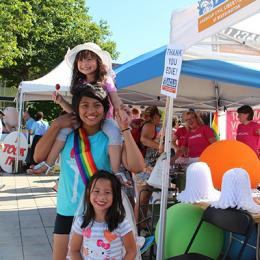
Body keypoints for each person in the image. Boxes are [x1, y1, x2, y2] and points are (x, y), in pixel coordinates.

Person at [33, 84, 144, 260]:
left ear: (105, 108)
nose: (91, 111)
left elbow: (137, 167)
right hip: (67, 210)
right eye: (84, 105)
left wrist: (125, 129)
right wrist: (55, 125)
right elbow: (38, 157)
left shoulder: (110, 136)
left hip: (101, 215)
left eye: (97, 105)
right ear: (76, 109)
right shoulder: (67, 133)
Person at [30, 42, 125, 177]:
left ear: (98, 62)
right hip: (82, 121)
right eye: (80, 60)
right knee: (63, 130)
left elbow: (116, 100)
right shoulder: (79, 84)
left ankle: (116, 172)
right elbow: (76, 112)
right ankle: (48, 164)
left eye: (89, 59)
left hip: (104, 120)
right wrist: (61, 101)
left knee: (114, 132)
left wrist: (122, 110)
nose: (84, 63)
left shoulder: (106, 80)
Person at [70, 171, 136, 259]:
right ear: (88, 193)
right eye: (96, 191)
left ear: (115, 195)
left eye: (107, 192)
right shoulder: (82, 222)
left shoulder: (121, 223)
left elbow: (131, 251)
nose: (101, 197)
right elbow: (74, 250)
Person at [134, 106, 161, 233]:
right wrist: (159, 146)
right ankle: (136, 226)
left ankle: (142, 224)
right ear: (155, 116)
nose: (160, 120)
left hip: (146, 165)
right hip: (145, 165)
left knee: (144, 198)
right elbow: (143, 140)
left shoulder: (148, 124)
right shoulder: (150, 125)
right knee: (142, 198)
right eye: (159, 118)